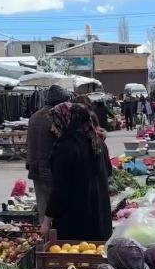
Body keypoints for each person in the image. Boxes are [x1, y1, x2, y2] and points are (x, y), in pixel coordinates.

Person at [42, 102, 113, 241]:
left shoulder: (65, 147)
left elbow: (59, 189)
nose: (52, 127)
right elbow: (109, 172)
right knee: (96, 258)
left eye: (55, 121)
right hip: (100, 218)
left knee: (76, 261)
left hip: (75, 224)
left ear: (66, 121)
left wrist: (46, 220)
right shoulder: (97, 142)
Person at [26, 84, 72, 219]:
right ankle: (55, 238)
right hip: (51, 169)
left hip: (35, 168)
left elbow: (29, 143)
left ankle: (46, 237)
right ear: (60, 102)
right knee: (56, 210)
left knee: (43, 208)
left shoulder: (34, 117)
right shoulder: (56, 117)